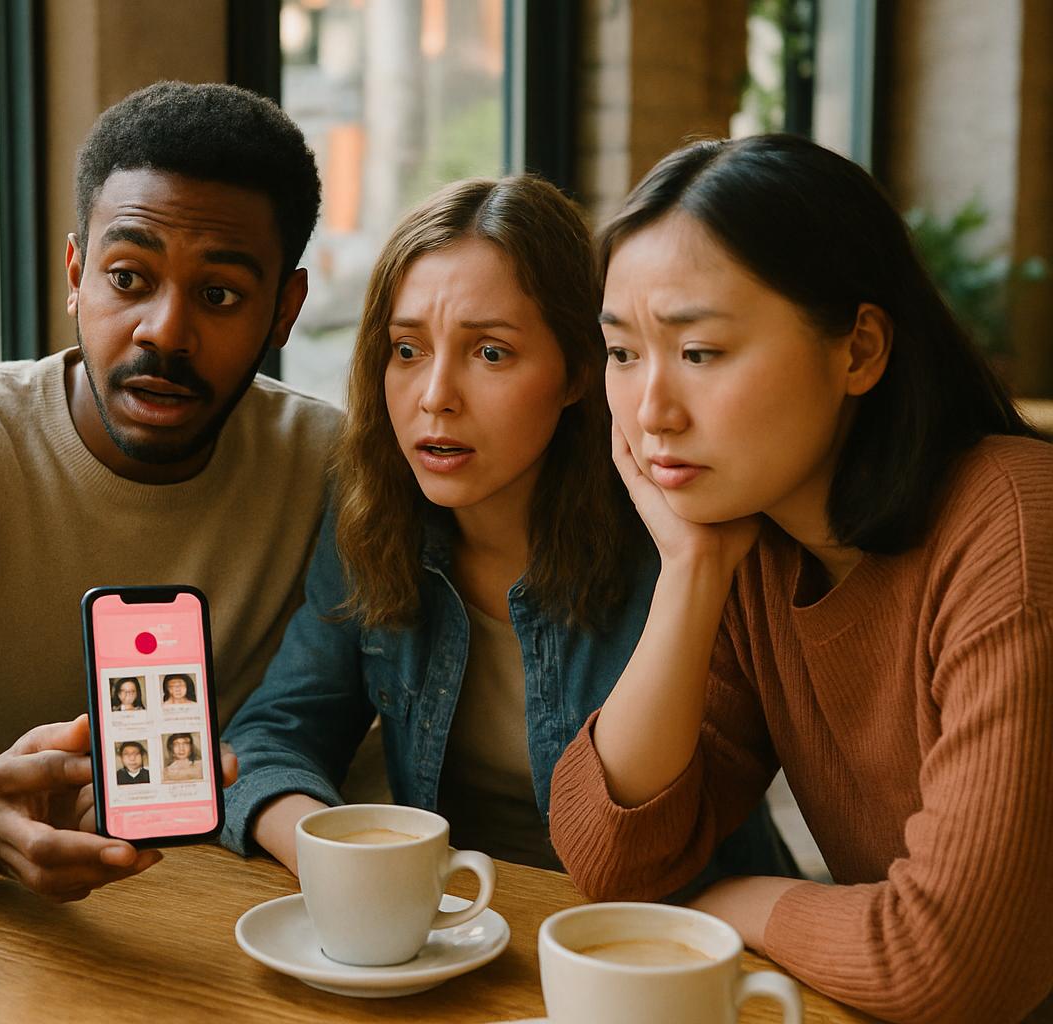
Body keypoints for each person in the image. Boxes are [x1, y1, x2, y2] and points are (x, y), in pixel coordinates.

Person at [548, 135, 1053, 1024]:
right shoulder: (758, 541)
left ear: (858, 349)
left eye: (699, 352)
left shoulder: (1015, 524)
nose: (651, 410)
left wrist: (727, 903)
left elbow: (950, 964)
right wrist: (691, 572)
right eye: (623, 354)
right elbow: (613, 857)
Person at [0, 81, 341, 904]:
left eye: (221, 295)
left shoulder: (332, 466)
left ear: (285, 311)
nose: (165, 331)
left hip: (244, 920)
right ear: (76, 273)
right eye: (128, 277)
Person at [222, 176, 793, 880]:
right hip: (461, 931)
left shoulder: (679, 537)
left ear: (579, 372)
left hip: (669, 940)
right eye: (406, 350)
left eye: (490, 352)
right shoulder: (375, 511)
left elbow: (646, 850)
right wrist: (345, 864)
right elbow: (275, 735)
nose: (435, 398)